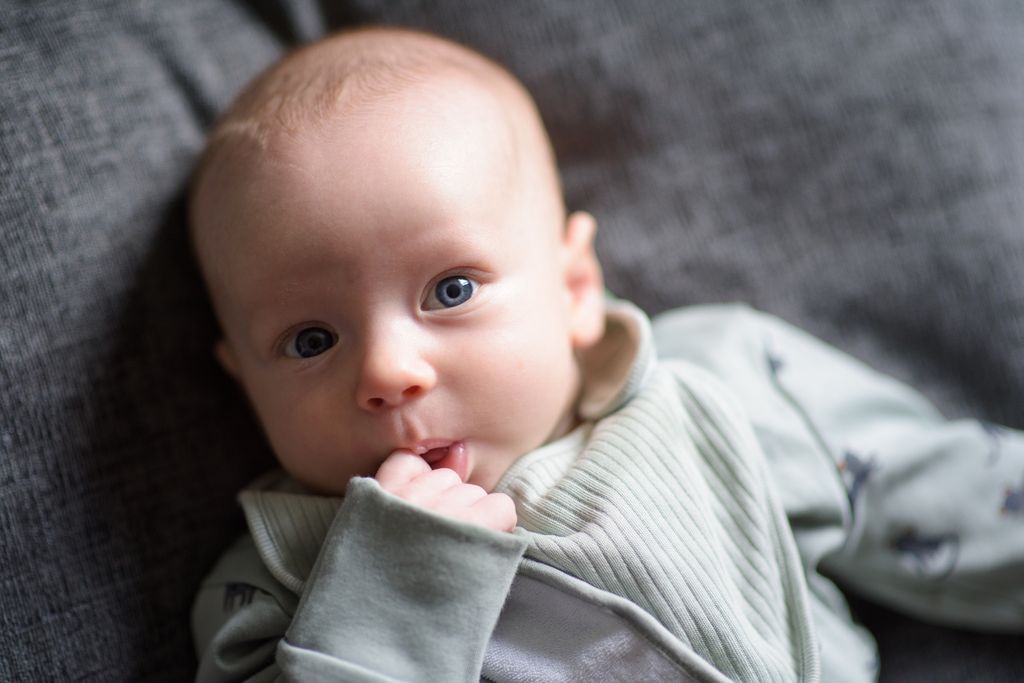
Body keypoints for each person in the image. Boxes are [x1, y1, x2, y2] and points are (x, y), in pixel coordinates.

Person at [188, 26, 1024, 682]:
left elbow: (947, 494)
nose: (388, 371)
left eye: (450, 289)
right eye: (311, 340)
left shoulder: (718, 385)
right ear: (244, 380)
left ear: (576, 286)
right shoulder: (269, 586)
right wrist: (391, 597)